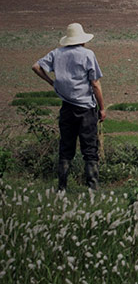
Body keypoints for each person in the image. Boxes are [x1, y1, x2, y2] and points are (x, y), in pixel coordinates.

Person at [32, 23, 106, 191]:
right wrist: (102, 108)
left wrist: (52, 82)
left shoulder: (56, 53)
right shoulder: (88, 54)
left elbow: (36, 66)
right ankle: (93, 189)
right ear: (82, 40)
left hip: (66, 107)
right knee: (90, 149)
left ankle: (62, 188)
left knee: (66, 148)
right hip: (86, 108)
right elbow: (95, 84)